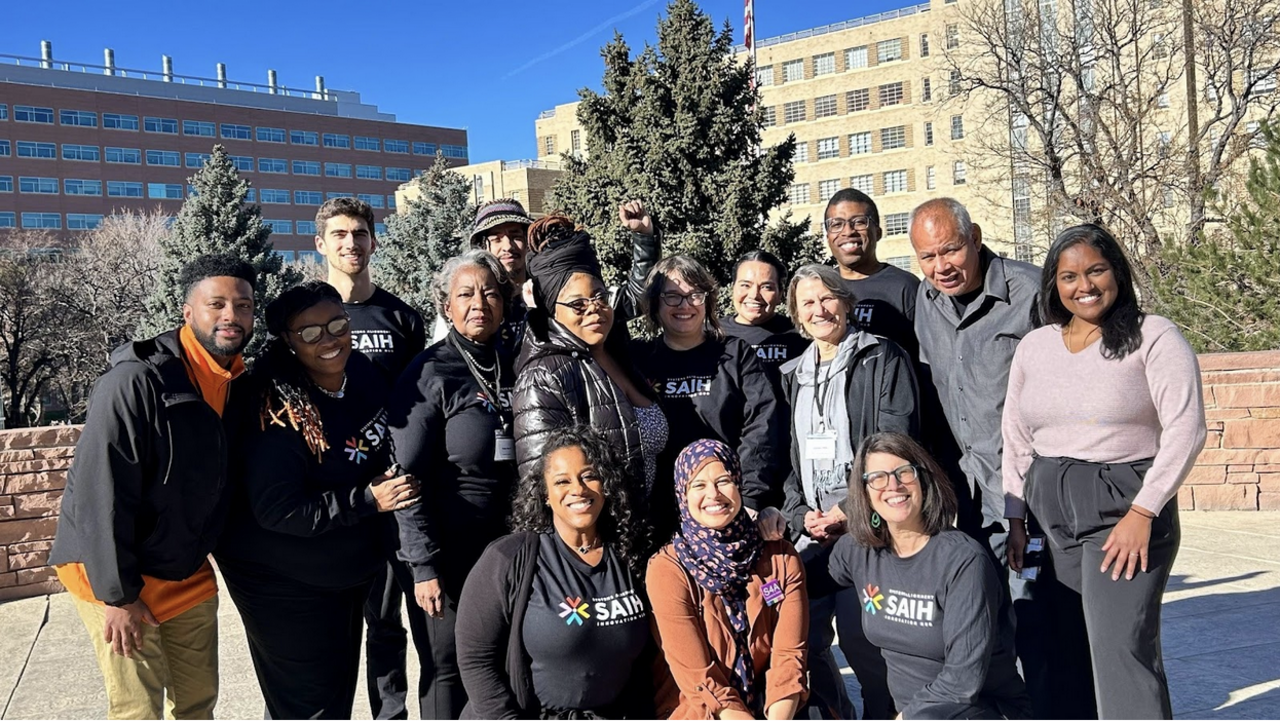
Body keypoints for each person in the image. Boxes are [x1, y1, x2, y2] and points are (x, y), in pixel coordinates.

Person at [1002, 224, 1207, 719]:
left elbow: (1187, 428)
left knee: (1120, 652)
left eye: (1096, 270)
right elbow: (1015, 435)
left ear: (1117, 271)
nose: (1084, 285)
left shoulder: (1153, 335)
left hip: (1122, 508)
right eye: (1069, 276)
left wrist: (1143, 512)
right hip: (1049, 516)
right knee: (1062, 648)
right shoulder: (1036, 346)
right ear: (1053, 283)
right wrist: (1015, 517)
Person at [50, 254, 257, 720]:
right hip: (115, 575)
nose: (231, 316)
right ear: (188, 312)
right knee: (138, 710)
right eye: (217, 304)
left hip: (184, 570)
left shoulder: (237, 381)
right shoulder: (134, 381)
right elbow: (100, 493)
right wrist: (117, 596)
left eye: (243, 306)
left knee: (197, 702)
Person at [908, 198, 1087, 718]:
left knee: (1041, 624)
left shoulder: (1032, 293)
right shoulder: (926, 299)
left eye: (951, 249)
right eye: (927, 256)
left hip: (1031, 491)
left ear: (976, 237)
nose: (941, 265)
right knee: (981, 623)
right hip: (963, 495)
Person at [215, 281, 420, 720]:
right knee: (308, 705)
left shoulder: (361, 372)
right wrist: (366, 499)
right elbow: (279, 509)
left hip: (338, 567)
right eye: (309, 333)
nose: (327, 339)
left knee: (331, 697)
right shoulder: (278, 410)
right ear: (288, 342)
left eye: (336, 325)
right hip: (282, 580)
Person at [779, 264, 919, 720]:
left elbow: (896, 444)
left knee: (869, 647)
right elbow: (785, 457)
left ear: (845, 302)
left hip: (867, 527)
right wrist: (799, 513)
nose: (819, 310)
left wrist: (847, 509)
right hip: (811, 533)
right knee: (804, 644)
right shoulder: (790, 375)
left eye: (826, 298)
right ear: (796, 316)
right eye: (807, 304)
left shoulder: (883, 357)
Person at [813, 433, 1031, 720]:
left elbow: (962, 681)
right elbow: (795, 579)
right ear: (863, 493)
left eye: (904, 472)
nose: (893, 485)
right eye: (878, 477)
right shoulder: (859, 549)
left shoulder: (964, 561)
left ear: (924, 482)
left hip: (976, 710)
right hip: (907, 712)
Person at [387, 250, 519, 719]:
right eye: (465, 294)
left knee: (504, 659)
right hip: (446, 551)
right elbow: (404, 475)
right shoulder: (428, 373)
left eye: (489, 292)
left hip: (508, 544)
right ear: (446, 306)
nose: (478, 302)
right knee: (448, 664)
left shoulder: (515, 362)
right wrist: (423, 565)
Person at [313, 196, 428, 720]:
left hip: (398, 487)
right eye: (338, 235)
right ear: (321, 244)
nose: (350, 243)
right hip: (339, 493)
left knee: (393, 621)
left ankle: (394, 715)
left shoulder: (400, 316)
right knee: (334, 626)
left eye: (359, 233)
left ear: (373, 241)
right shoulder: (309, 315)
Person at [456, 426, 656, 719]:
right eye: (562, 481)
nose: (578, 489)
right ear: (545, 495)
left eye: (589, 476)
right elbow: (475, 658)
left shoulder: (632, 555)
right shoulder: (509, 558)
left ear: (606, 485)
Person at [648, 439, 808, 720]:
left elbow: (788, 657)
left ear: (739, 484)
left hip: (769, 704)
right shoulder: (668, 568)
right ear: (682, 494)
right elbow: (700, 679)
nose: (713, 494)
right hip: (700, 710)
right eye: (698, 485)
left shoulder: (779, 556)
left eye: (723, 481)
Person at [632, 255, 788, 539]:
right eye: (672, 296)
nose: (685, 305)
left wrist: (751, 497)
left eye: (694, 295)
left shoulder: (735, 354)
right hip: (663, 512)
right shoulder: (639, 360)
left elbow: (762, 427)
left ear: (708, 301)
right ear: (655, 303)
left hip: (728, 504)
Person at [513, 213, 667, 500]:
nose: (593, 308)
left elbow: (637, 294)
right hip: (602, 539)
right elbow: (544, 491)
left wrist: (644, 238)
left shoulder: (617, 350)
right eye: (577, 304)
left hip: (649, 531)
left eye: (599, 297)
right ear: (551, 310)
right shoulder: (544, 378)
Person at [470, 198, 659, 355]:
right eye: (496, 239)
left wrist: (644, 237)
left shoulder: (561, 289)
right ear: (482, 246)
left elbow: (637, 299)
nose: (508, 246)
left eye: (515, 236)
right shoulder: (478, 308)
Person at [823, 188, 920, 360]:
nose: (847, 231)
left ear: (878, 232)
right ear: (828, 236)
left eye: (859, 222)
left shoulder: (905, 286)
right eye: (836, 224)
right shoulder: (822, 287)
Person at [719, 250, 810, 380]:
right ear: (733, 288)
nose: (754, 295)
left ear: (780, 294)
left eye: (766, 287)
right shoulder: (711, 334)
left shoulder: (800, 335)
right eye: (745, 285)